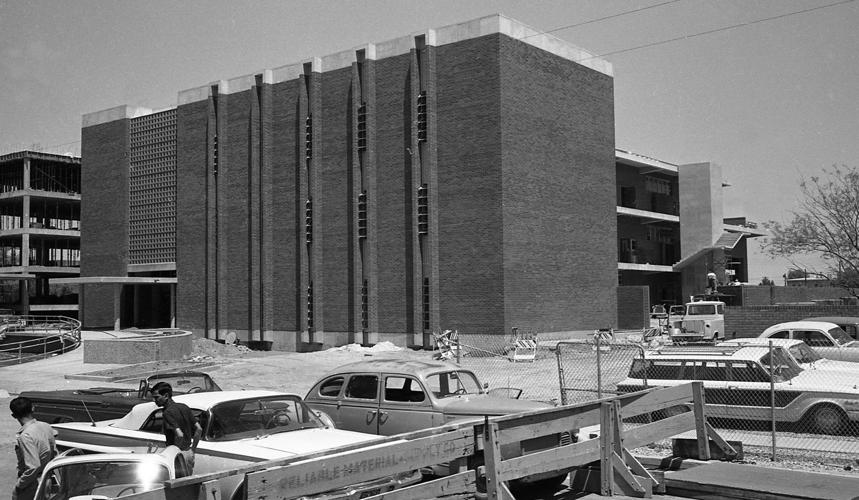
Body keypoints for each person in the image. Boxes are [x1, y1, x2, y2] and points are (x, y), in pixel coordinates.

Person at [149, 381, 202, 477]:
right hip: (189, 453)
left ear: (166, 395)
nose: (154, 400)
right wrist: (193, 449)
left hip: (177, 456)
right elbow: (199, 429)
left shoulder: (167, 413)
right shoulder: (184, 407)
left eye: (156, 397)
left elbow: (179, 434)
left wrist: (175, 455)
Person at [10, 396, 57, 500]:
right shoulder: (46, 426)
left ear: (13, 416)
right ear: (33, 409)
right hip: (46, 480)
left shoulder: (26, 436)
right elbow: (54, 453)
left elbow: (33, 466)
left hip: (32, 485)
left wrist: (19, 485)